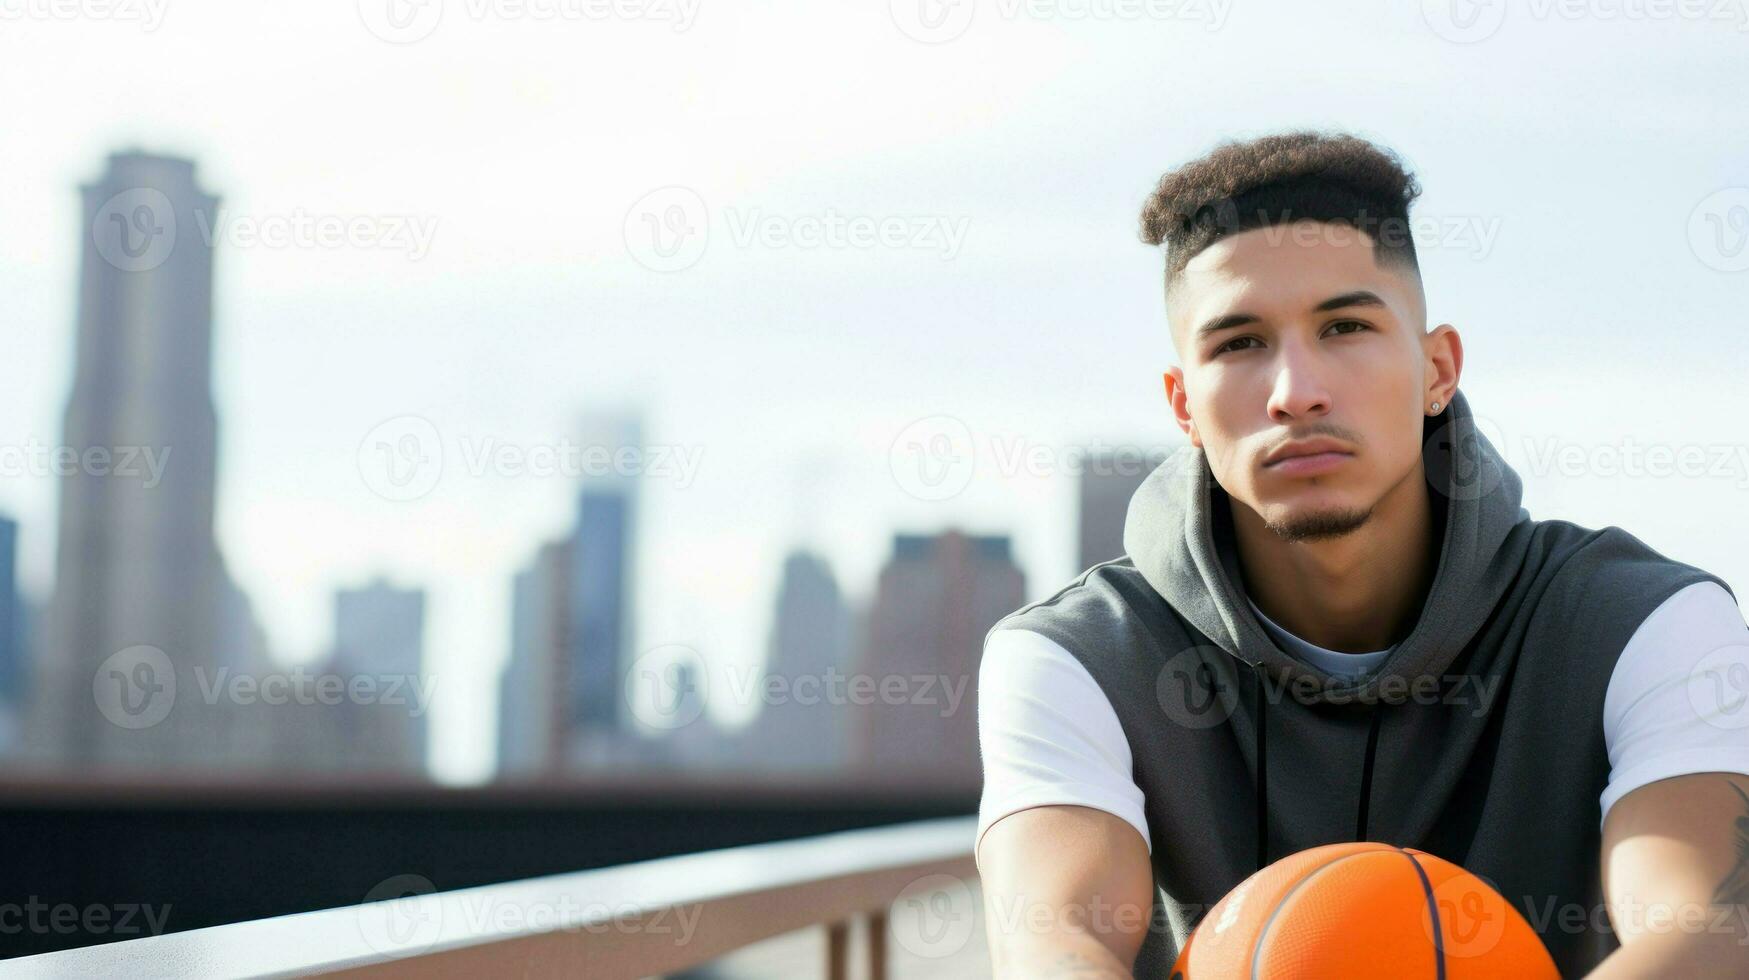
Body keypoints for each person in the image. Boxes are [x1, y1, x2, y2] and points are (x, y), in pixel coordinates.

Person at [973, 130, 1749, 978]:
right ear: (1182, 405)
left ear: (1436, 369)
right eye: (1238, 343)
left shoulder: (1646, 625)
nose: (1294, 391)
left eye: (1343, 326)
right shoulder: (1074, 656)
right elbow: (1053, 946)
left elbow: (1711, 926)